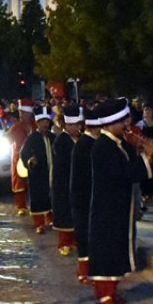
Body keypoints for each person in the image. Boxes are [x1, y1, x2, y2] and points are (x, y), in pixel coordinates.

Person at [86, 98, 153, 304]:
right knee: (106, 251)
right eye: (123, 121)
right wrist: (147, 157)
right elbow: (124, 174)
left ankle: (113, 290)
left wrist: (142, 152)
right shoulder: (102, 147)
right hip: (107, 209)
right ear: (111, 123)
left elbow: (131, 168)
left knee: (116, 249)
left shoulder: (119, 144)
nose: (127, 125)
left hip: (119, 208)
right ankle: (104, 296)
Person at [70, 106, 103, 283]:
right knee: (86, 236)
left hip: (84, 197)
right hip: (84, 198)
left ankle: (87, 271)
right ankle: (84, 272)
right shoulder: (87, 145)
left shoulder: (86, 143)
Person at [51, 104, 83, 255]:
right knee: (65, 214)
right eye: (72, 125)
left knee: (78, 214)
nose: (76, 128)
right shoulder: (61, 141)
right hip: (64, 184)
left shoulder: (82, 139)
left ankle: (77, 241)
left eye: (78, 124)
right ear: (66, 125)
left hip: (79, 184)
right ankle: (64, 243)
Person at [18, 105, 55, 234]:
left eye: (47, 121)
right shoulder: (32, 138)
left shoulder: (53, 137)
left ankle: (51, 219)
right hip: (37, 174)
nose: (45, 124)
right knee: (38, 197)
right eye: (42, 122)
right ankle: (39, 224)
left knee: (51, 196)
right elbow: (24, 154)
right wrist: (30, 161)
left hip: (51, 173)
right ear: (37, 123)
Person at [6, 101, 34, 216]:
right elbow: (7, 139)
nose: (21, 114)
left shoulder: (35, 125)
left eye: (23, 112)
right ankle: (21, 206)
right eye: (20, 112)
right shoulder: (16, 126)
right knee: (19, 182)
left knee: (35, 183)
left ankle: (37, 208)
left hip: (34, 157)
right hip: (19, 158)